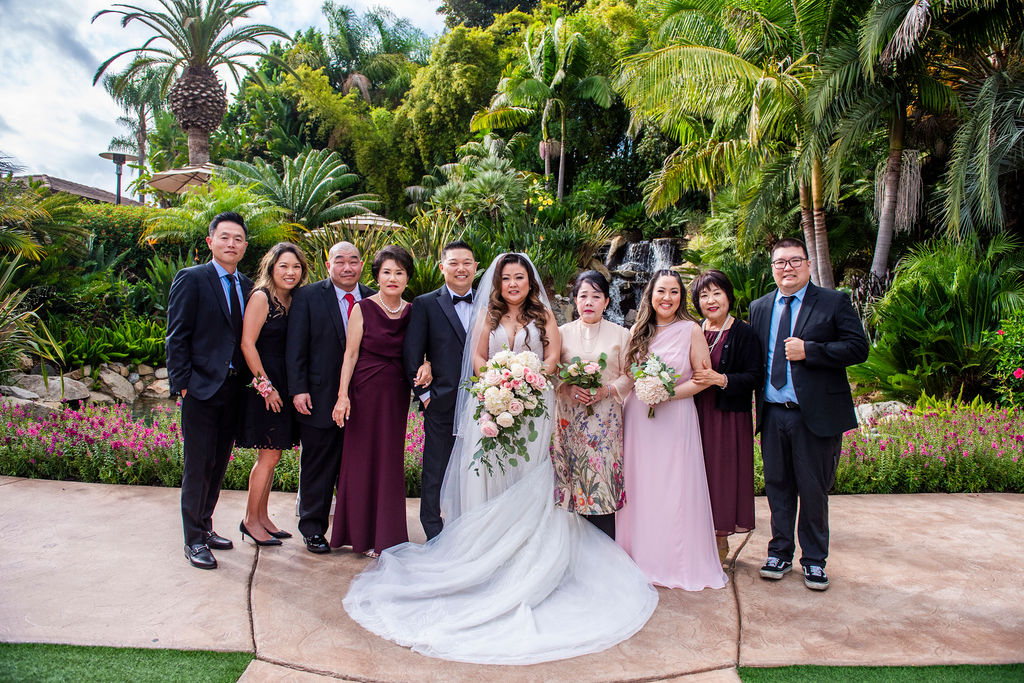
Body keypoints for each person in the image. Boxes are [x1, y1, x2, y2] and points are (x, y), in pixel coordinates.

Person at [341, 253, 658, 665]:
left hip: (533, 409)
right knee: (490, 477)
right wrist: (497, 378)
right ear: (498, 282)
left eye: (519, 277)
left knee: (529, 476)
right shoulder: (487, 314)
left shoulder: (544, 315)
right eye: (506, 278)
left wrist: (529, 378)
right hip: (492, 405)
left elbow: (551, 358)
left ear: (529, 282)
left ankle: (528, 555)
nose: (512, 284)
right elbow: (476, 359)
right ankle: (487, 555)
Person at [749, 238, 868, 591]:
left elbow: (858, 348)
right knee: (777, 487)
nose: (787, 267)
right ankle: (779, 552)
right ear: (772, 268)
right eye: (780, 262)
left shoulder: (833, 302)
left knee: (814, 490)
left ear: (808, 264)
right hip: (773, 413)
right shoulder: (759, 307)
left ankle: (814, 560)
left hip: (814, 415)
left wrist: (810, 351)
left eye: (794, 261)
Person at [617, 269, 728, 591]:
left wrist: (666, 393)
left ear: (681, 297)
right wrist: (643, 388)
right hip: (639, 418)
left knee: (674, 486)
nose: (667, 298)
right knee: (641, 486)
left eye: (674, 292)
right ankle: (638, 557)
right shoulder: (637, 330)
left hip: (676, 417)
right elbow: (628, 375)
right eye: (661, 291)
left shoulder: (690, 330)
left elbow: (702, 379)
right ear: (650, 295)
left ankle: (675, 561)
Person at [167, 211, 252, 570]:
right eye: (225, 237)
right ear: (210, 241)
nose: (231, 244)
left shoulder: (248, 285)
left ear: (245, 246)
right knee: (197, 465)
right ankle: (193, 540)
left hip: (234, 390)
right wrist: (183, 385)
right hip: (201, 389)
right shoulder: (192, 279)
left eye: (238, 239)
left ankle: (205, 525)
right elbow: (176, 336)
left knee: (217, 464)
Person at [286, 242, 375, 554]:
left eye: (353, 261)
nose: (347, 267)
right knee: (318, 466)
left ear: (362, 264)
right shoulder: (307, 297)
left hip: (363, 398)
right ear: (328, 265)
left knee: (357, 467)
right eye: (340, 261)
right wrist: (298, 389)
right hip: (318, 396)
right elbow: (295, 347)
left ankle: (357, 531)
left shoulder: (373, 298)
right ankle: (312, 529)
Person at [330, 246, 419, 557]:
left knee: (389, 459)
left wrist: (427, 364)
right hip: (364, 390)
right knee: (361, 459)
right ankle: (360, 535)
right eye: (386, 272)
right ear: (377, 277)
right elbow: (350, 354)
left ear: (407, 278)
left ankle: (387, 537)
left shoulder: (413, 311)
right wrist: (342, 396)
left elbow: (422, 350)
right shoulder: (363, 308)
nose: (393, 278)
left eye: (399, 272)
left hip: (396, 393)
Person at [402, 240, 478, 540]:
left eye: (467, 262)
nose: (461, 268)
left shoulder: (489, 303)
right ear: (442, 267)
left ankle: (470, 527)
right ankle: (433, 528)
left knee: (475, 467)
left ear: (475, 267)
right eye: (454, 262)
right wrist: (426, 398)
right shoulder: (425, 304)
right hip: (441, 401)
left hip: (484, 402)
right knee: (436, 466)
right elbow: (412, 355)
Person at [237, 242, 309, 545]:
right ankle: (250, 520)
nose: (290, 272)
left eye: (296, 267)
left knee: (274, 455)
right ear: (271, 267)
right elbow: (247, 344)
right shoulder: (261, 297)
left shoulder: (293, 300)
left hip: (285, 384)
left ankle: (263, 517)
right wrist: (265, 388)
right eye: (284, 266)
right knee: (267, 456)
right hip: (265, 386)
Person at [552, 270, 633, 539]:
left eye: (596, 296)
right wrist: (567, 387)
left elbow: (630, 376)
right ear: (575, 300)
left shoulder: (622, 334)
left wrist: (606, 390)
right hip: (569, 422)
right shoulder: (560, 334)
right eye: (583, 296)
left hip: (605, 425)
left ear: (607, 301)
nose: (589, 302)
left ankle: (604, 549)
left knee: (601, 486)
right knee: (570, 484)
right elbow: (551, 372)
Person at [690, 269, 763, 563]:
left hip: (727, 417)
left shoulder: (744, 332)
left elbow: (755, 376)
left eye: (716, 293)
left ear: (728, 297)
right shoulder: (693, 330)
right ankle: (695, 539)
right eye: (704, 295)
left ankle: (720, 542)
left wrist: (721, 380)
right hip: (694, 415)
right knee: (694, 474)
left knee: (721, 477)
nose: (711, 300)